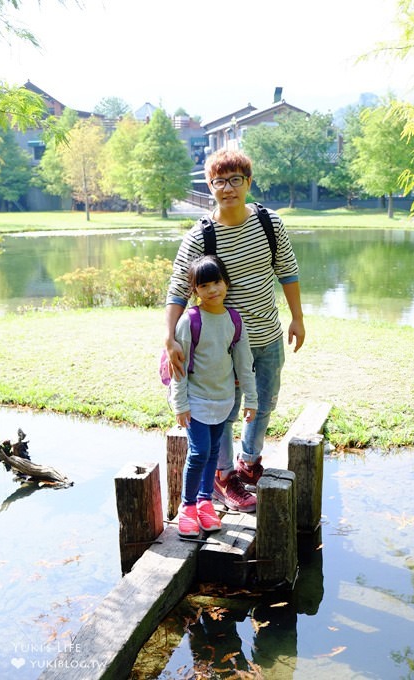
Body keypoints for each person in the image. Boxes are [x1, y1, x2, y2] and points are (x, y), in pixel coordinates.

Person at [165, 149, 305, 513]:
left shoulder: (269, 223)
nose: (228, 188)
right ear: (210, 187)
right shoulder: (201, 236)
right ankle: (225, 476)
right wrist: (169, 337)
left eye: (235, 180)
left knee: (264, 404)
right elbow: (178, 287)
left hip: (269, 336)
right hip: (223, 344)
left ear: (248, 182)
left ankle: (250, 462)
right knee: (226, 410)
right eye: (219, 182)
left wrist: (298, 317)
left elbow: (287, 270)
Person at [171, 254, 257, 537]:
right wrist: (180, 404)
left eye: (217, 282)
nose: (212, 290)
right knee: (198, 453)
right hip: (195, 399)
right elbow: (179, 368)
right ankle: (188, 507)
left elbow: (244, 364)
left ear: (226, 283)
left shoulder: (234, 319)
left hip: (224, 399)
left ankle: (206, 502)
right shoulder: (190, 320)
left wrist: (251, 399)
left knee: (212, 455)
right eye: (204, 285)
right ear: (194, 290)